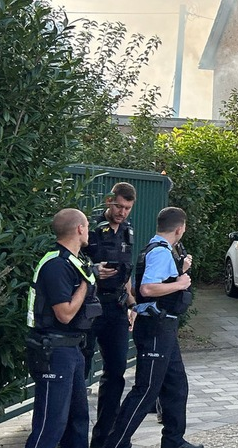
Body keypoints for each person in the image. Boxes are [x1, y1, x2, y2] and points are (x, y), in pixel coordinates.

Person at [103, 207, 202, 448]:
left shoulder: (159, 249)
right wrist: (180, 284)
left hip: (165, 327)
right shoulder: (160, 252)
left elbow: (158, 282)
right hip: (155, 328)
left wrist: (181, 272)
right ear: (180, 229)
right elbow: (147, 289)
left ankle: (174, 441)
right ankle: (114, 444)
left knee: (176, 385)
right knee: (146, 390)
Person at [24, 209, 102, 448]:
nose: (89, 230)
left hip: (71, 349)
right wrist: (85, 285)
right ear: (79, 228)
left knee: (77, 421)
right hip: (54, 352)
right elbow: (65, 314)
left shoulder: (74, 262)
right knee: (51, 425)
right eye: (87, 225)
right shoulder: (56, 264)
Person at [82, 183, 138, 448]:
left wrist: (131, 303)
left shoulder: (128, 230)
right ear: (108, 201)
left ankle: (104, 439)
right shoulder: (90, 228)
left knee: (115, 373)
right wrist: (93, 270)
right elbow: (72, 262)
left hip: (116, 308)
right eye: (118, 206)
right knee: (79, 373)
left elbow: (126, 271)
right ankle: (71, 437)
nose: (122, 212)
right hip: (89, 307)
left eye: (127, 208)